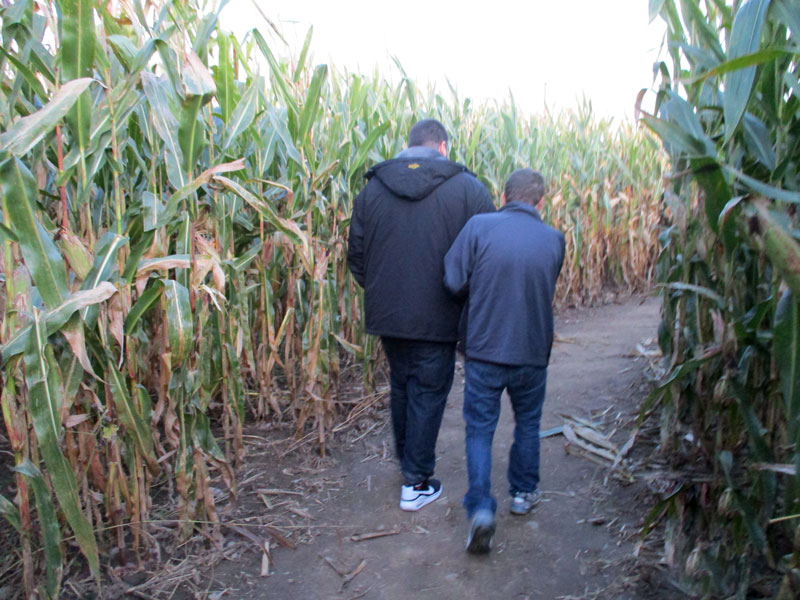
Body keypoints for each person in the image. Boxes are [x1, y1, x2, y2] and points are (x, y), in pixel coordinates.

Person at [347, 119, 495, 511]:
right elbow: (487, 252)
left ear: (407, 146)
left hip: (388, 313)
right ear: (443, 147)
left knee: (402, 383)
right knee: (428, 390)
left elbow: (356, 256)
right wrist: (461, 296)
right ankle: (416, 483)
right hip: (440, 312)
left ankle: (407, 463)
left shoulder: (372, 190)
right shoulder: (468, 189)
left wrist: (382, 290)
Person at [443, 168, 565, 553]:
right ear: (541, 202)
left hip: (484, 350)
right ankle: (523, 493)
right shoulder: (554, 239)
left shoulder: (479, 227)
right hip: (532, 351)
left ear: (504, 195)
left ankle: (481, 509)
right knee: (528, 422)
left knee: (480, 428)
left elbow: (451, 279)